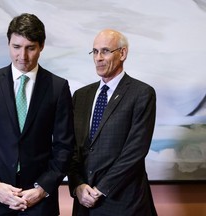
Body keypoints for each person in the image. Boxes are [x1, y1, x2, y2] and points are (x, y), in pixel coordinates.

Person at [0, 13, 74, 216]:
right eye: (16, 47)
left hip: (39, 201)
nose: (22, 56)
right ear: (8, 44)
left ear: (41, 46)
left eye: (30, 48)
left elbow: (65, 146)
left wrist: (42, 189)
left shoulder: (58, 87)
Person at [67, 29, 157, 216]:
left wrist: (101, 189)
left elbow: (135, 151)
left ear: (122, 53)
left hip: (123, 203)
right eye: (95, 51)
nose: (98, 58)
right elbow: (71, 147)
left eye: (105, 51)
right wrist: (77, 185)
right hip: (84, 203)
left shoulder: (142, 93)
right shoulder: (81, 96)